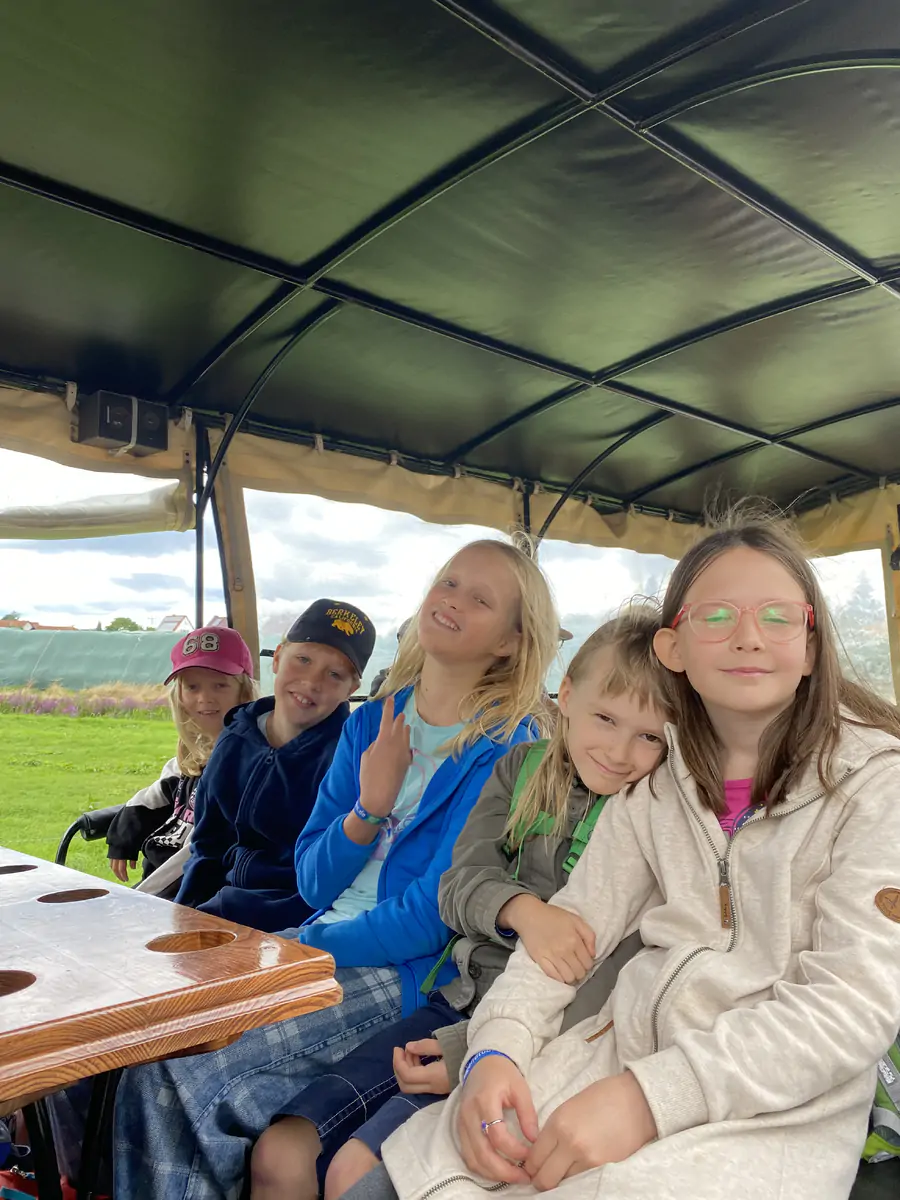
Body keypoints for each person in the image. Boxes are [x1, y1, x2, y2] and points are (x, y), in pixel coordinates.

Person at [360, 511, 900, 1200]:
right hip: (604, 1062)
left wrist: (650, 1098)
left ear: (811, 644)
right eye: (716, 617)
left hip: (767, 1119)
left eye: (777, 616)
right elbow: (573, 930)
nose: (748, 636)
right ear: (673, 647)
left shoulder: (874, 788)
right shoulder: (657, 788)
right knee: (392, 1180)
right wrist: (496, 1048)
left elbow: (851, 1005)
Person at [113, 537, 560, 1200]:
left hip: (406, 972)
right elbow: (312, 877)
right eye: (449, 581)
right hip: (314, 943)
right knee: (142, 1038)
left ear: (510, 642)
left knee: (180, 1073)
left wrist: (304, 946)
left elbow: (435, 913)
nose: (452, 600)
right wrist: (369, 808)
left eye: (480, 598)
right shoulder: (370, 724)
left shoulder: (507, 748)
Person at [249, 606, 675, 1200]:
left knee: (353, 1172)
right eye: (606, 718)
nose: (620, 750)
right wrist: (522, 910)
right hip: (453, 1000)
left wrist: (473, 1048)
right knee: (281, 1151)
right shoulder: (520, 769)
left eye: (650, 736)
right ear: (568, 694)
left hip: (535, 1039)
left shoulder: (655, 817)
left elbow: (610, 976)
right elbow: (458, 883)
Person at [174, 598, 375, 932]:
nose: (312, 681)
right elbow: (208, 846)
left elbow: (333, 874)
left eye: (334, 674)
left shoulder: (348, 758)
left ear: (351, 689)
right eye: (303, 660)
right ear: (278, 658)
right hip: (218, 909)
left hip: (295, 921)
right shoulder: (234, 739)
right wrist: (182, 916)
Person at [104, 626, 257, 899]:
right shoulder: (192, 755)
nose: (204, 698)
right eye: (192, 686)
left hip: (190, 895)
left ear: (243, 692)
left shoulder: (244, 765)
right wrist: (123, 836)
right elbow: (151, 798)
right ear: (180, 696)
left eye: (220, 685)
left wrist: (139, 896)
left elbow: (198, 856)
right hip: (161, 887)